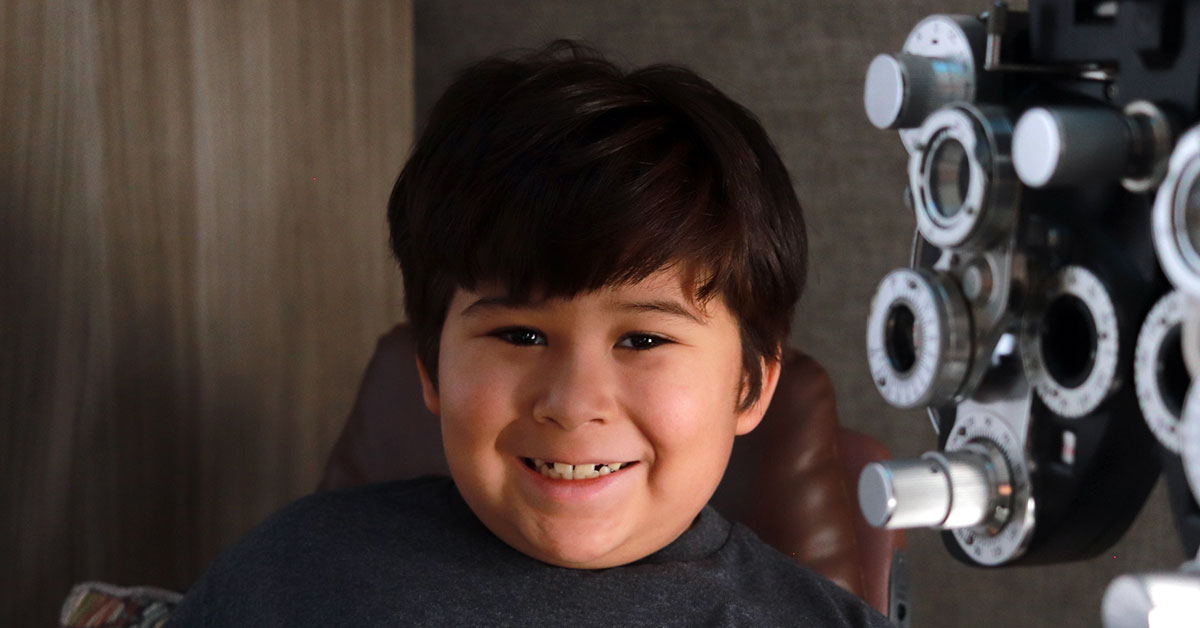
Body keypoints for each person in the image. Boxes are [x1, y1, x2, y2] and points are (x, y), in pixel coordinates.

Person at [166, 39, 891, 627]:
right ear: (430, 367)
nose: (573, 404)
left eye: (642, 341)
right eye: (520, 335)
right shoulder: (293, 574)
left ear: (750, 384)